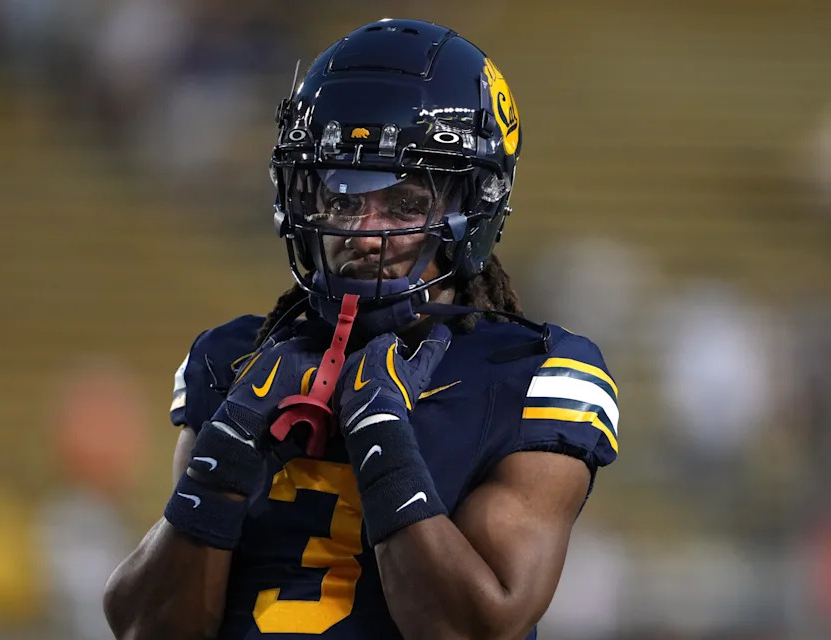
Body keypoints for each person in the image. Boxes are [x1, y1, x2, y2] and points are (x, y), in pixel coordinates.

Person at [104, 18, 619, 640]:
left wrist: (381, 436)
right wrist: (227, 453)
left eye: (404, 204)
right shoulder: (233, 360)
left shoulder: (532, 376)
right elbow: (148, 628)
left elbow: (470, 630)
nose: (363, 232)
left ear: (474, 205)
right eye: (343, 198)